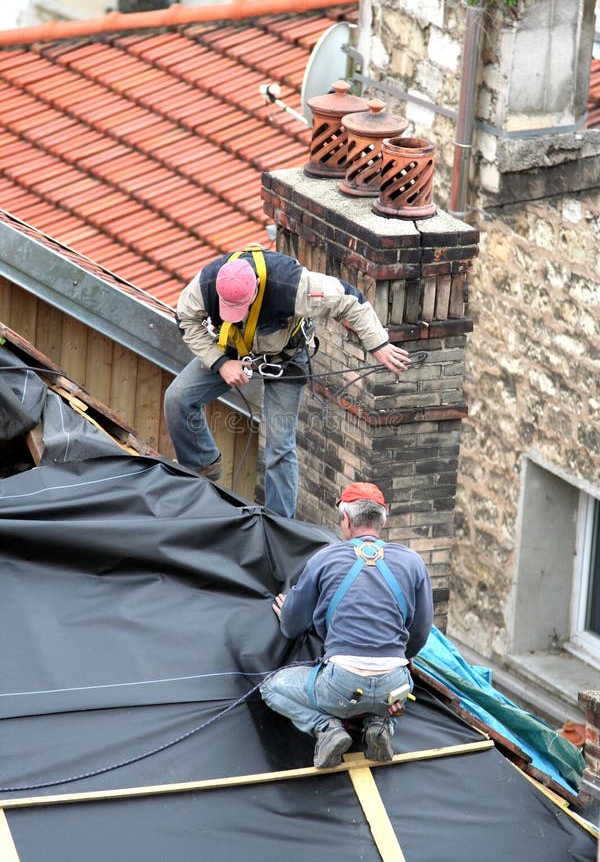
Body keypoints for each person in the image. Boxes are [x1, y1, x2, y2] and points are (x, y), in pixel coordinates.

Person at [164, 245, 411, 518]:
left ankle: (280, 524)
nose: (237, 313)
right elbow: (186, 320)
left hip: (286, 358)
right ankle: (201, 467)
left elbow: (349, 300)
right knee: (178, 399)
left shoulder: (293, 285)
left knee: (279, 445)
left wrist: (378, 344)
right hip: (231, 349)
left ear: (256, 288)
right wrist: (221, 363)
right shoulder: (207, 284)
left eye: (241, 307)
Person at [260, 482, 433, 768]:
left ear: (346, 520)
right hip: (395, 685)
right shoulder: (413, 562)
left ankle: (327, 729)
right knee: (396, 692)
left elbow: (292, 627)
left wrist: (286, 611)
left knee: (271, 688)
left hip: (340, 686)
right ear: (382, 521)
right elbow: (420, 633)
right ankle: (380, 725)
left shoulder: (324, 559)